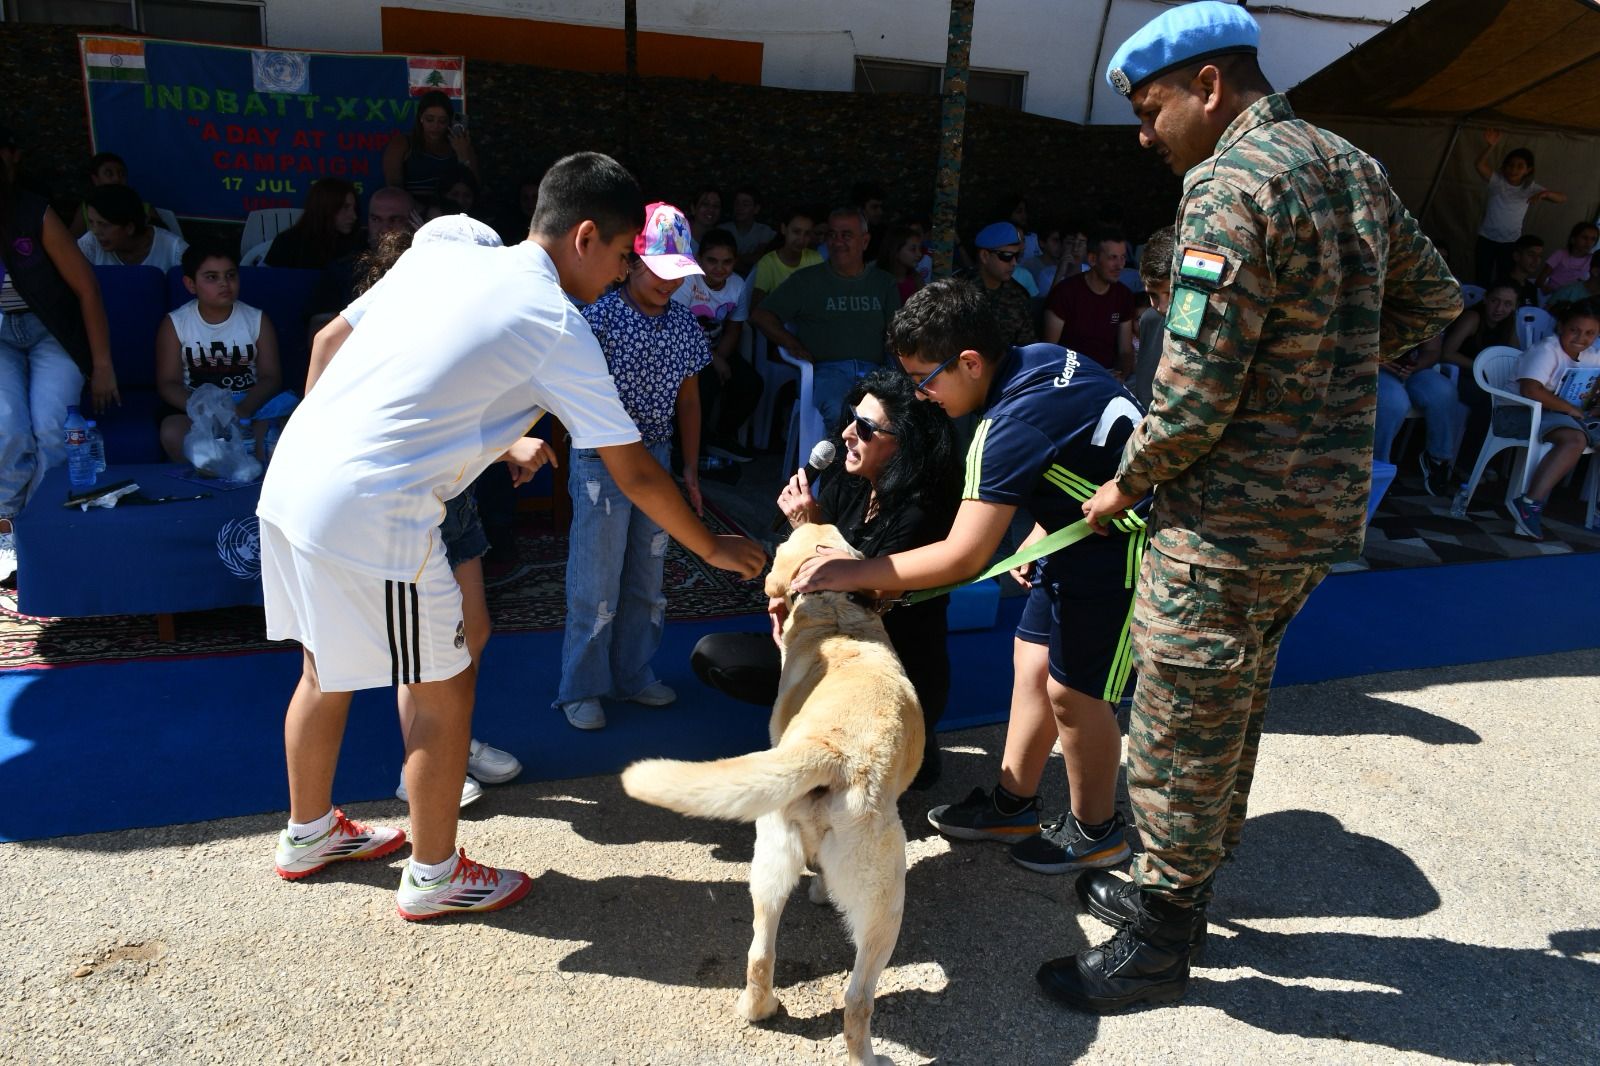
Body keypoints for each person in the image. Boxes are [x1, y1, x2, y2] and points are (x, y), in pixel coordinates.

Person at [1058, 1, 1460, 1013]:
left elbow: (1191, 395)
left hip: (1226, 519)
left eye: (1149, 111)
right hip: (1313, 513)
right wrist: (1327, 367)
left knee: (1178, 718)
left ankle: (1159, 944)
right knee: (1228, 707)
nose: (1144, 136)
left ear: (1207, 86)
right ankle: (1175, 894)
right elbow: (1435, 297)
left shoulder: (1227, 184)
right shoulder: (1351, 166)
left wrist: (1126, 481)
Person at [257, 153, 765, 920]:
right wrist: (713, 546)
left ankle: (309, 834)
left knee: (324, 668)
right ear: (585, 236)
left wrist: (451, 447)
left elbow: (335, 344)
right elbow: (634, 471)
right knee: (444, 683)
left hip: (294, 477)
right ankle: (434, 876)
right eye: (622, 254)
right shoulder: (557, 323)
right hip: (374, 511)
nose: (621, 272)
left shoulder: (446, 251)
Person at [790, 278, 1150, 876]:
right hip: (1080, 535)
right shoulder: (1046, 357)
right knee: (1032, 663)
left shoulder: (1004, 427)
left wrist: (846, 571)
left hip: (1125, 549)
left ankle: (1097, 831)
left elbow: (964, 556)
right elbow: (1081, 450)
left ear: (971, 362)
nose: (919, 395)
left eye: (925, 379)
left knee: (1077, 693)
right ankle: (1013, 804)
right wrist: (1044, 527)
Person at [304, 214, 530, 808]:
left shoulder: (463, 314)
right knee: (415, 650)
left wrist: (503, 443)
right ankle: (419, 766)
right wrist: (313, 442)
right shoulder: (396, 304)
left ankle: (451, 740)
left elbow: (456, 410)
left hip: (454, 493)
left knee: (472, 629)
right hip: (400, 498)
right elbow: (328, 346)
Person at [692, 367, 962, 787]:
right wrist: (782, 593)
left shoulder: (923, 511)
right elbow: (812, 568)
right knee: (715, 656)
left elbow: (871, 597)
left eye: (866, 428)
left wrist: (808, 528)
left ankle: (903, 742)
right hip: (828, 643)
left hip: (887, 667)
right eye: (852, 417)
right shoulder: (852, 482)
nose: (848, 433)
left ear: (905, 444)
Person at [555, 202, 714, 731]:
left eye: (678, 272)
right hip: (600, 460)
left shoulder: (685, 327)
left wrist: (689, 470)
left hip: (658, 458)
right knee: (595, 579)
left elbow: (689, 401)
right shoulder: (596, 319)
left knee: (648, 577)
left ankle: (633, 673)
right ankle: (581, 687)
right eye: (659, 270)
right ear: (631, 263)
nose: (670, 283)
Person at [0, 159, 117, 582]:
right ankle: (7, 531)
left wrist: (102, 365)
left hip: (51, 330)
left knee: (54, 429)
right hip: (1, 335)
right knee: (6, 428)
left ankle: (43, 527)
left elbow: (87, 288)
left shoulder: (34, 212)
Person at [748, 207, 902, 428]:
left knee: (894, 415)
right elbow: (761, 315)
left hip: (876, 372)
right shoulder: (806, 280)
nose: (837, 242)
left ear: (865, 241)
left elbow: (895, 334)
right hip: (826, 372)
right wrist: (792, 344)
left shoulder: (883, 282)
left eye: (846, 235)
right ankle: (841, 452)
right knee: (840, 411)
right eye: (832, 234)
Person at [154, 241, 282, 462]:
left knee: (274, 438)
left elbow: (271, 377)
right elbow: (168, 384)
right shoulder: (176, 323)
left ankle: (249, 478)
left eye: (230, 275)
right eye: (212, 277)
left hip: (249, 406)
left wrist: (244, 409)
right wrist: (207, 411)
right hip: (198, 410)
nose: (224, 283)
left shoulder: (257, 320)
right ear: (190, 284)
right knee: (173, 432)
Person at [1504, 303, 1600, 540]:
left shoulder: (1592, 355)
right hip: (1519, 414)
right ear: (1561, 326)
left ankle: (1597, 507)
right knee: (1574, 439)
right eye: (1574, 330)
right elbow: (1530, 390)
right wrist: (1572, 409)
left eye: (1590, 333)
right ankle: (1529, 504)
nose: (1581, 338)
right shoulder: (1547, 350)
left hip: (1559, 416)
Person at [673, 227, 760, 463]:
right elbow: (679, 329)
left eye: (727, 262)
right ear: (699, 259)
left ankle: (719, 436)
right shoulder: (688, 281)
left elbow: (735, 328)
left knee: (751, 384)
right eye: (712, 260)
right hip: (685, 351)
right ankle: (690, 448)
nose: (719, 268)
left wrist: (720, 358)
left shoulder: (738, 285)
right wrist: (715, 361)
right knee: (705, 385)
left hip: (718, 350)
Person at [305, 186, 416, 332]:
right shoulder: (345, 269)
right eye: (376, 219)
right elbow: (319, 331)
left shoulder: (429, 265)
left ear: (413, 222)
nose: (384, 229)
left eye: (394, 220)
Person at [1440, 280, 1519, 467]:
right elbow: (1447, 353)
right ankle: (1466, 464)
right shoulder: (1473, 318)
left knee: (1510, 401)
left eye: (1507, 304)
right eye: (1495, 301)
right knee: (1488, 402)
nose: (1499, 308)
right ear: (1485, 299)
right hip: (1458, 376)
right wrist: (1481, 367)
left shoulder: (1509, 324)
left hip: (1485, 380)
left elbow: (1513, 356)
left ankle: (1490, 462)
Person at [1042, 224, 1135, 378]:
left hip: (1108, 375)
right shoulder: (1064, 293)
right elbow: (1048, 351)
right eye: (1112, 258)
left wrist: (1121, 376)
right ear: (1092, 259)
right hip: (1071, 376)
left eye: (1123, 257)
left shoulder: (1124, 295)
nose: (1120, 265)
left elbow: (1125, 351)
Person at [1473, 131, 1564, 285]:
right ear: (1504, 167)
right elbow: (1479, 165)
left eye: (1520, 166)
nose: (1514, 169)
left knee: (1505, 280)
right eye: (1510, 165)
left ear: (1528, 170)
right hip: (1486, 239)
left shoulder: (1530, 188)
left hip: (1510, 242)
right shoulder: (1497, 181)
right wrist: (1490, 146)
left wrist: (1545, 193)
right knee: (1482, 278)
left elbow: (1562, 198)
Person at [1373, 334, 1459, 496]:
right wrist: (1379, 361)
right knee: (1395, 402)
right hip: (1375, 367)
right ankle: (1378, 469)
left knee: (1444, 392)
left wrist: (1414, 366)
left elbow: (1432, 351)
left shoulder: (1425, 317)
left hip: (1412, 369)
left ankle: (1437, 459)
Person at [381, 90, 477, 199]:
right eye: (430, 120)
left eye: (442, 121)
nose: (435, 126)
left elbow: (474, 188)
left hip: (450, 208)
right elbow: (394, 191)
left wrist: (463, 154)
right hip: (412, 207)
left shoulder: (461, 145)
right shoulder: (402, 144)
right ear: (421, 118)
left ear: (449, 121)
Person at [76, 184, 186, 270]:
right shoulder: (91, 243)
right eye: (91, 222)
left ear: (129, 228)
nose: (95, 231)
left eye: (104, 224)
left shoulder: (175, 250)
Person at [262, 178, 362, 270]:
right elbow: (268, 281)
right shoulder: (286, 243)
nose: (354, 216)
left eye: (354, 208)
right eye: (345, 207)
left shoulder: (356, 244)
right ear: (324, 208)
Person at [964, 221, 1036, 347]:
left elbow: (1027, 347)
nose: (1014, 263)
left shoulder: (1019, 296)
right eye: (1007, 256)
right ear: (985, 256)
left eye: (1017, 255)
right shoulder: (957, 292)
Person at [1130, 226, 1175, 408]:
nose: (1162, 307)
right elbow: (1145, 388)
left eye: (1170, 293)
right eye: (1153, 295)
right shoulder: (1150, 319)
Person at [748, 206, 820, 310]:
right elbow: (756, 309)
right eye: (796, 232)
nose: (801, 239)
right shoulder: (767, 263)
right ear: (784, 229)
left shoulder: (815, 258)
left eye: (807, 234)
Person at [1538, 222, 1598, 296]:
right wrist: (1543, 288)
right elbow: (1542, 278)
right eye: (1584, 237)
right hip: (1552, 295)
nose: (1589, 242)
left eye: (1593, 239)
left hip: (1576, 298)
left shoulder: (1593, 260)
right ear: (1573, 239)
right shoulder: (1560, 254)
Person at [728, 186, 774, 275]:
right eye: (737, 203)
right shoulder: (723, 229)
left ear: (756, 209)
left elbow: (760, 257)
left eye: (745, 204)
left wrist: (737, 259)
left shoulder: (764, 231)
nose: (740, 208)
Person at [876, 222, 924, 303]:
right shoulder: (879, 282)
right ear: (896, 251)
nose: (919, 254)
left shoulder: (916, 280)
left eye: (920, 249)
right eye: (913, 249)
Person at [1505, 234, 1545, 308]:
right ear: (1517, 256)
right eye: (1531, 254)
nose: (1536, 260)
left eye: (1539, 256)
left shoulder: (1532, 288)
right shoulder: (1503, 286)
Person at [685, 185, 722, 250]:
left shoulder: (722, 241)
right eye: (705, 204)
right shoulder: (679, 237)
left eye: (716, 206)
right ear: (693, 208)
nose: (711, 209)